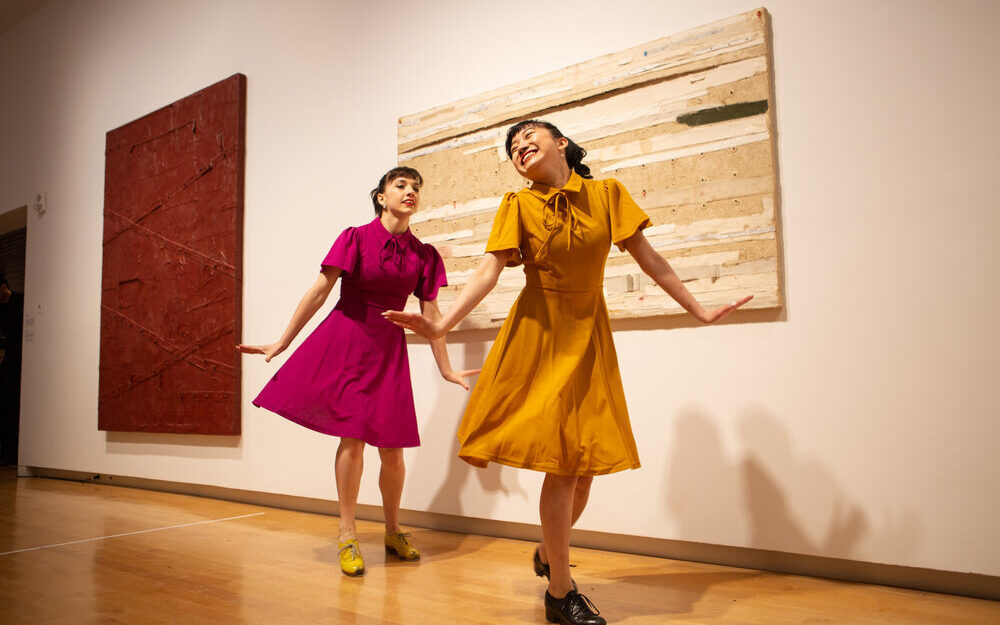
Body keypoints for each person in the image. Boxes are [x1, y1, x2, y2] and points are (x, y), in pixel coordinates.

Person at [384, 121, 752, 625]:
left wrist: (698, 309)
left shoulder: (606, 194)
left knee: (583, 468)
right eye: (512, 149)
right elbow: (490, 271)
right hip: (539, 333)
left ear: (562, 143)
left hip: (588, 332)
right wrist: (441, 323)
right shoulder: (518, 205)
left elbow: (650, 260)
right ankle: (561, 591)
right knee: (562, 464)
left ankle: (547, 552)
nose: (519, 148)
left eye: (528, 137)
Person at [239, 166, 476, 577]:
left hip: (389, 349)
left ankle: (392, 530)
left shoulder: (423, 255)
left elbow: (431, 315)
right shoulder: (355, 238)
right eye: (400, 185)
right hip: (348, 341)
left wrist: (446, 368)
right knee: (353, 440)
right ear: (381, 196)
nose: (410, 192)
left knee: (393, 448)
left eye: (416, 187)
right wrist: (283, 340)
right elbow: (319, 291)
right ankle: (347, 533)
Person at [0, 275, 23, 465]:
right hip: (9, 360)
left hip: (21, 360)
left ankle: (16, 451)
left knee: (16, 406)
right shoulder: (1, 309)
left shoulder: (21, 301)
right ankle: (8, 451)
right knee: (6, 405)